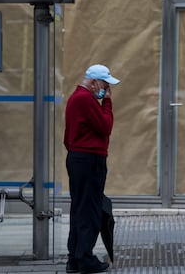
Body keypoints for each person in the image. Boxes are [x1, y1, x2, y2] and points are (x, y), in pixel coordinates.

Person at [64, 64, 120, 274]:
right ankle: (85, 258)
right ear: (94, 81)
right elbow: (106, 127)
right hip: (89, 160)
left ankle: (75, 258)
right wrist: (107, 102)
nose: (106, 90)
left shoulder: (76, 98)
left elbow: (68, 135)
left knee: (79, 208)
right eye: (105, 85)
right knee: (90, 210)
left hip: (78, 158)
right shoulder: (85, 99)